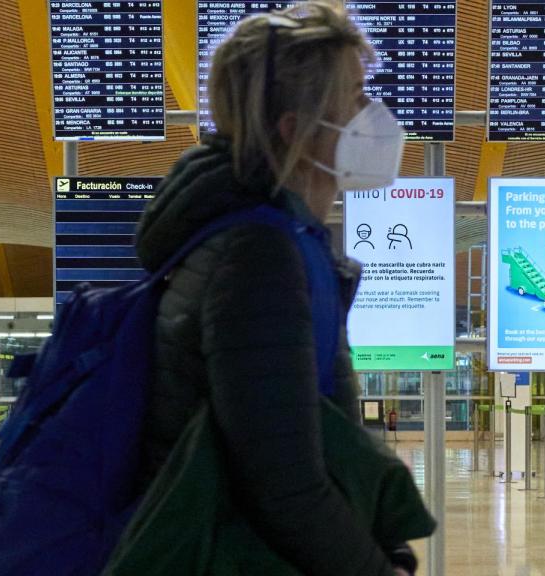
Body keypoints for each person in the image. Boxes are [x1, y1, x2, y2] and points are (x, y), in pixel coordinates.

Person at [133, 2, 416, 575]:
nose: (372, 114)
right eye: (355, 96)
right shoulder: (259, 255)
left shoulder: (269, 237)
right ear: (296, 131)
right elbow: (284, 486)